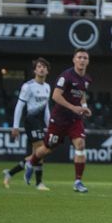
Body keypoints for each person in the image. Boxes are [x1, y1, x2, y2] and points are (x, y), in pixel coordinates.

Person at [22, 49, 93, 193]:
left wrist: (84, 107)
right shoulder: (66, 76)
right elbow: (55, 96)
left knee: (80, 144)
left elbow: (82, 95)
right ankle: (31, 162)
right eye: (79, 57)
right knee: (47, 148)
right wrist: (73, 107)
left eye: (85, 58)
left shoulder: (87, 79)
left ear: (88, 61)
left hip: (75, 119)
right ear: (74, 60)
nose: (82, 60)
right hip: (59, 119)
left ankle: (78, 181)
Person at [2, 58, 51, 190]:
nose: (41, 68)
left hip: (40, 122)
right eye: (39, 67)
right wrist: (15, 126)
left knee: (38, 153)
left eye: (44, 67)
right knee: (41, 149)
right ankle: (39, 183)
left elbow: (46, 109)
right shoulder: (28, 86)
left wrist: (51, 126)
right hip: (31, 121)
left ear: (47, 71)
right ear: (35, 70)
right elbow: (19, 106)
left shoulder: (47, 87)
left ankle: (11, 173)